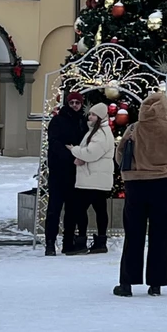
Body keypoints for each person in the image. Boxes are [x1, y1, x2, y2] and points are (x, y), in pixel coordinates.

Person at [113, 90, 167, 296]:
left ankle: (127, 283)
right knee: (160, 234)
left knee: (133, 233)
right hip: (162, 184)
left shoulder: (134, 128)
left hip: (136, 185)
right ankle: (156, 283)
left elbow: (120, 156)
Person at [68, 101, 115, 253]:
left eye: (94, 114)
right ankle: (100, 241)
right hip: (96, 177)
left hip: (92, 178)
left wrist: (74, 150)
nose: (90, 116)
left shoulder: (100, 133)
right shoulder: (98, 131)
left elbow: (91, 153)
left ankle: (82, 241)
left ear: (100, 117)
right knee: (99, 209)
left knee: (80, 209)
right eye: (90, 114)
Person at [45, 89, 87, 255]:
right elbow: (54, 143)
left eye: (78, 103)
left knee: (72, 209)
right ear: (67, 104)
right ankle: (50, 242)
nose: (75, 106)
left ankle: (68, 242)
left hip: (75, 172)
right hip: (59, 171)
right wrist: (71, 156)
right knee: (54, 208)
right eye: (72, 103)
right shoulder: (57, 121)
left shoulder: (82, 121)